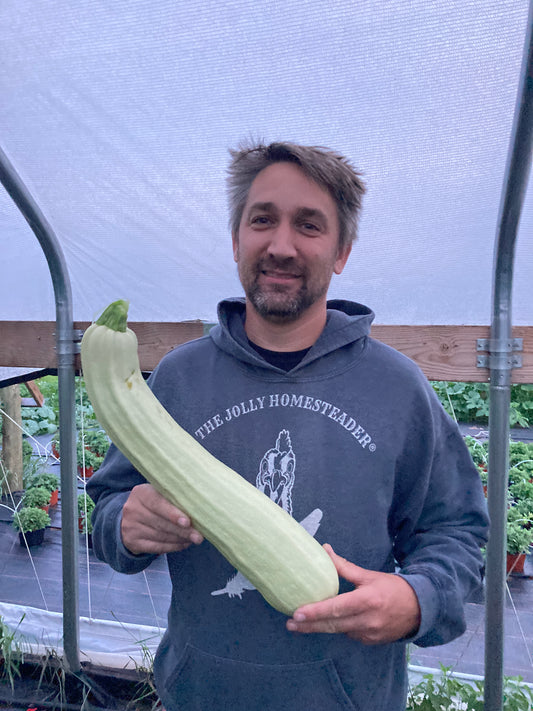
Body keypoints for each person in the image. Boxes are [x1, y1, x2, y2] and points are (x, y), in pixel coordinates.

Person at [87, 141, 489, 711]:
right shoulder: (177, 380)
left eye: (309, 225)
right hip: (199, 697)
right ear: (235, 239)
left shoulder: (398, 388)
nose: (281, 245)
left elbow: (458, 534)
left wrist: (417, 598)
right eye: (262, 220)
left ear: (342, 250)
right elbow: (105, 508)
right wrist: (124, 524)